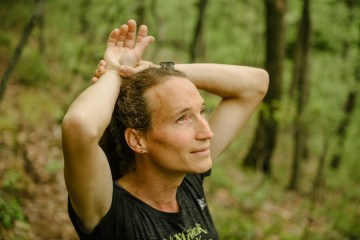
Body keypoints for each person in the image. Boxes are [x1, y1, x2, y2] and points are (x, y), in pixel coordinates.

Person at [62, 19, 269, 240]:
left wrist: (159, 71)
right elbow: (79, 125)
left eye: (201, 111)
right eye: (182, 119)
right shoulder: (111, 210)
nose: (206, 132)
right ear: (138, 140)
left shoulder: (187, 178)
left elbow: (255, 84)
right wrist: (114, 71)